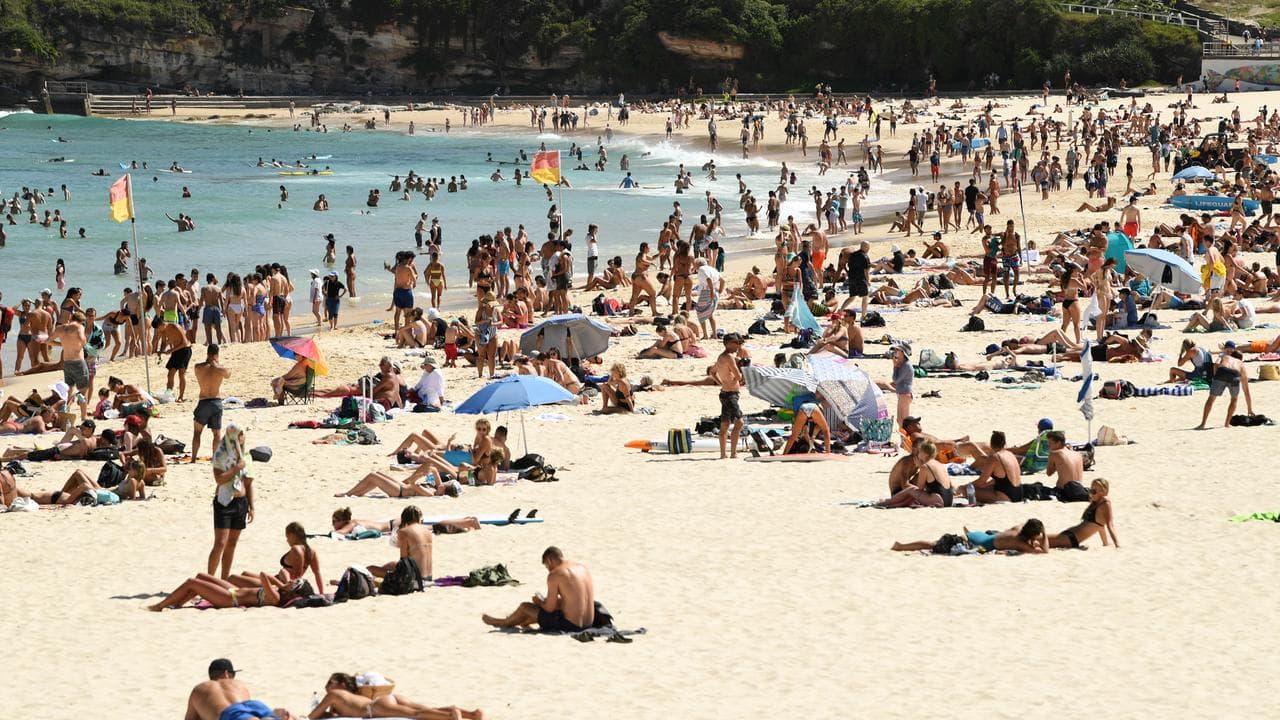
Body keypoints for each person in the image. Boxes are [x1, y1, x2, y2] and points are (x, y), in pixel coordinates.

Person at [482, 546, 601, 633]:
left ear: (549, 561)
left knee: (525, 607)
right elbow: (574, 599)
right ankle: (523, 622)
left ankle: (500, 623)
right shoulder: (582, 568)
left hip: (570, 626)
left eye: (546, 566)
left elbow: (549, 609)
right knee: (554, 605)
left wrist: (539, 601)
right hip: (589, 623)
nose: (548, 569)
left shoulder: (555, 574)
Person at [307, 673, 483, 720]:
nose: (326, 689)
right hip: (384, 700)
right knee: (426, 709)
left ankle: (452, 715)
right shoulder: (348, 696)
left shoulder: (334, 695)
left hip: (375, 708)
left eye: (328, 684)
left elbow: (312, 717)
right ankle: (472, 714)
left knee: (414, 715)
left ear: (341, 684)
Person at [209, 423, 255, 578]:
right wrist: (236, 468)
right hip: (224, 501)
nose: (242, 438)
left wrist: (251, 505)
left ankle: (224, 578)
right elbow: (219, 479)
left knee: (232, 544)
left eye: (243, 435)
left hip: (240, 502)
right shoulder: (220, 454)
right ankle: (209, 578)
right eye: (239, 435)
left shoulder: (245, 455)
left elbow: (248, 482)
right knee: (220, 543)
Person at [181, 659, 279, 720]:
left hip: (232, 715)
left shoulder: (199, 689)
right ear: (227, 673)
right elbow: (246, 709)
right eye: (233, 674)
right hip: (255, 706)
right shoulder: (239, 684)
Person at [892, 519, 1048, 553]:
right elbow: (1044, 552)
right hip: (981, 544)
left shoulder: (1017, 529)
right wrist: (1045, 533)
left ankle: (968, 534)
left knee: (972, 536)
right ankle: (901, 546)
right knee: (934, 545)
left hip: (982, 536)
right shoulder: (1020, 543)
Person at [1049, 478, 1120, 549]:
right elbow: (1101, 526)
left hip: (1072, 539)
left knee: (1041, 539)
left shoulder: (1105, 504)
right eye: (1090, 490)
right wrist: (1105, 543)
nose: (1091, 493)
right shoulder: (1095, 504)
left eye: (1093, 491)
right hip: (1069, 534)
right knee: (1041, 539)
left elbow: (1110, 525)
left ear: (1103, 492)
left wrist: (1117, 545)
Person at [1196, 345, 1254, 429]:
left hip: (1222, 371)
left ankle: (1203, 424)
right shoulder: (1240, 364)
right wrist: (1249, 409)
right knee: (1234, 399)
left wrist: (1215, 375)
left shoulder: (1225, 357)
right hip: (1234, 374)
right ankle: (1227, 424)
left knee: (1211, 398)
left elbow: (1216, 364)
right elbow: (1246, 391)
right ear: (1240, 359)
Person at [370, 505, 433, 580]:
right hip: (428, 577)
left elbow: (404, 560)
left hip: (413, 579)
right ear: (419, 518)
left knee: (370, 569)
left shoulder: (404, 532)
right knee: (391, 564)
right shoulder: (428, 532)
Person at [713, 333, 747, 459]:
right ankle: (732, 453)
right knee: (739, 422)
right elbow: (738, 376)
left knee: (725, 424)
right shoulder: (729, 357)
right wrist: (735, 378)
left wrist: (722, 383)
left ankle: (725, 454)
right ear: (728, 344)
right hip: (731, 394)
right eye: (735, 343)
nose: (738, 345)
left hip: (725, 393)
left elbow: (713, 371)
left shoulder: (721, 357)